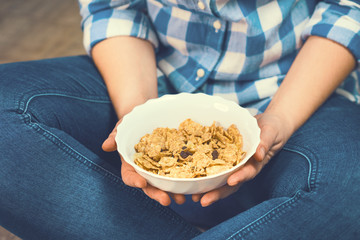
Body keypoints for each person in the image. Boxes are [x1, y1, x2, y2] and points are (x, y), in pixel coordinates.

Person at [0, 0, 359, 239]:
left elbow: (347, 12)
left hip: (297, 91)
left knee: (350, 190)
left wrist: (280, 118)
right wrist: (137, 113)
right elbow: (114, 8)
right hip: (149, 73)